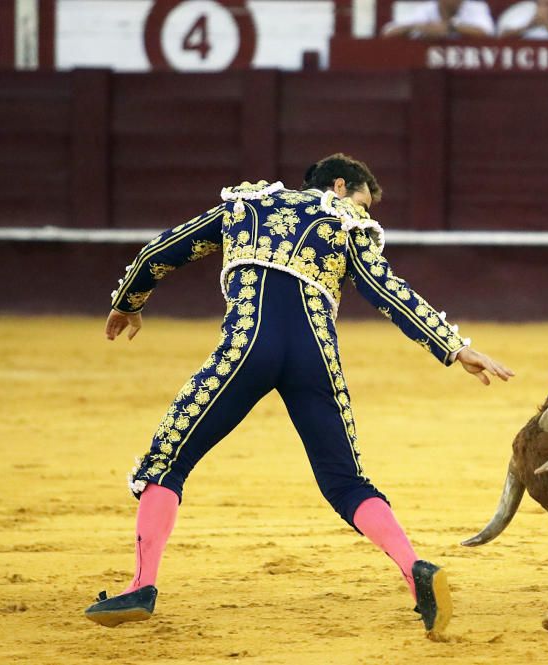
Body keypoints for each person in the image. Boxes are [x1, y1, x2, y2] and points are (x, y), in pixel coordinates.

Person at [83, 153, 514, 639]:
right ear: (338, 186)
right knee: (347, 482)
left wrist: (128, 303)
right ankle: (415, 572)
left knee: (167, 461)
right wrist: (455, 348)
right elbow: (388, 291)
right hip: (315, 358)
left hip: (247, 347)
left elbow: (160, 252)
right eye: (365, 202)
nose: (367, 214)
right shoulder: (347, 224)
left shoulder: (244, 207)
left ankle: (142, 585)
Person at [381, 0, 495, 39]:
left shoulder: (475, 7)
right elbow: (388, 32)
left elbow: (488, 33)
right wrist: (419, 28)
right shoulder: (425, 10)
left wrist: (450, 28)